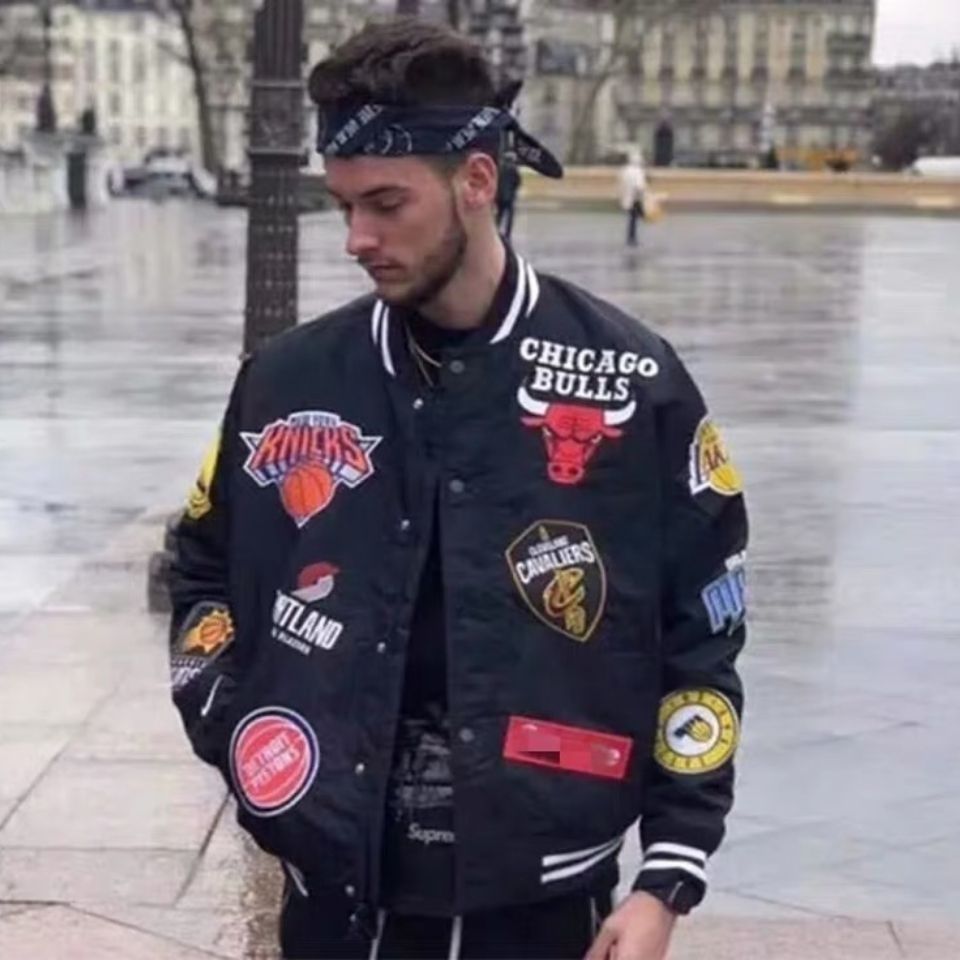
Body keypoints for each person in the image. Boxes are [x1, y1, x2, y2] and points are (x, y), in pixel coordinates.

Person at [168, 18, 747, 960]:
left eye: (386, 203)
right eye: (343, 205)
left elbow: (705, 626)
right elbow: (201, 566)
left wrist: (669, 875)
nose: (357, 238)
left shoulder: (634, 380)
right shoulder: (285, 380)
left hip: (545, 899)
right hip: (337, 897)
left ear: (477, 181)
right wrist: (237, 726)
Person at [619, 149, 647, 246]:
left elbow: (621, 184)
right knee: (635, 219)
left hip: (627, 198)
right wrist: (642, 196)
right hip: (636, 198)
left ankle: (631, 237)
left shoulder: (625, 170)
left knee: (632, 219)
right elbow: (640, 186)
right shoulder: (638, 171)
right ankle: (632, 238)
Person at [495, 149, 521, 238]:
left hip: (500, 196)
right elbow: (518, 182)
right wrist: (513, 190)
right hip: (510, 197)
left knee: (499, 215)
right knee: (509, 217)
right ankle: (507, 233)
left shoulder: (499, 169)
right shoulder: (514, 169)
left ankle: (496, 230)